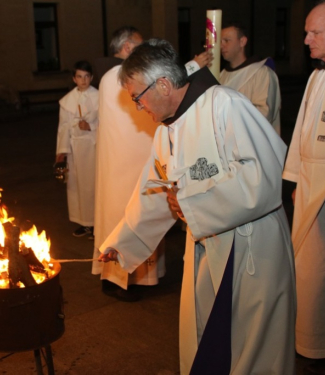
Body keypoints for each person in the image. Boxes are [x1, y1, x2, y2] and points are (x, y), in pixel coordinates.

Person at [99, 39, 295, 374]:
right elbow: (154, 193)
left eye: (137, 97)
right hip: (206, 249)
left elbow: (266, 172)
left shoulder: (225, 105)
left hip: (251, 248)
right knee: (210, 340)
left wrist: (191, 201)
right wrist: (123, 241)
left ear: (163, 84)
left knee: (251, 350)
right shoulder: (166, 131)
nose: (138, 107)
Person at [92, 26, 213, 302]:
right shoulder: (116, 76)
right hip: (125, 167)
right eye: (139, 45)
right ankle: (126, 279)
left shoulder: (115, 76)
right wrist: (194, 65)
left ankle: (134, 275)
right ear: (125, 49)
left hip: (130, 165)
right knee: (134, 209)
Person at [283, 1, 325, 374]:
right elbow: (302, 130)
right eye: (306, 31)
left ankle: (322, 345)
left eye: (315, 32)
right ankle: (311, 339)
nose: (306, 40)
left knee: (321, 270)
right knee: (306, 266)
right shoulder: (318, 74)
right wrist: (297, 178)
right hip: (311, 187)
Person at [56, 61, 98, 238]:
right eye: (79, 76)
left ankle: (97, 223)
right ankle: (84, 222)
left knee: (93, 185)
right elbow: (63, 127)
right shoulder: (67, 101)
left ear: (92, 77)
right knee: (78, 186)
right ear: (74, 79)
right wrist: (61, 152)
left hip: (93, 147)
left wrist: (91, 126)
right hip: (76, 149)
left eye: (87, 76)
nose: (83, 80)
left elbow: (108, 122)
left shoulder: (99, 97)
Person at [220, 23, 282, 134]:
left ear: (242, 42)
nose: (221, 46)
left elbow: (264, 113)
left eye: (227, 40)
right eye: (220, 41)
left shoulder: (262, 73)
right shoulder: (222, 75)